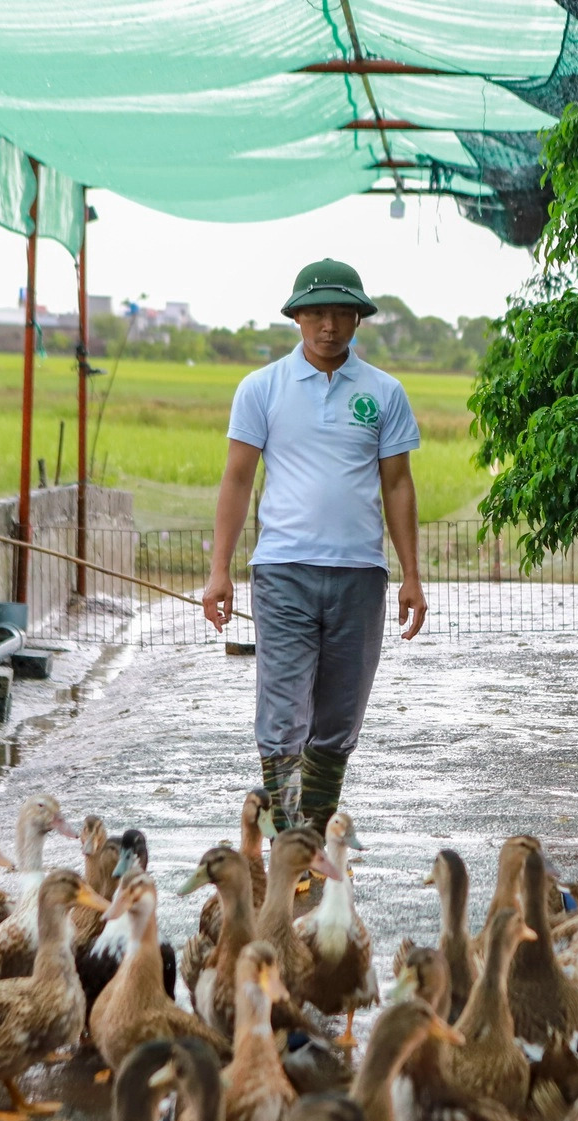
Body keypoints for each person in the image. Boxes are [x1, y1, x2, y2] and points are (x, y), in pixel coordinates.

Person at [203, 259, 427, 833]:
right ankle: (288, 843)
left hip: (360, 574)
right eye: (317, 313)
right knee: (282, 716)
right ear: (297, 317)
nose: (329, 325)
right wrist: (219, 571)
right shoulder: (261, 389)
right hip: (283, 571)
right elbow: (236, 479)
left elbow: (398, 484)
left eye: (341, 313)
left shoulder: (383, 392)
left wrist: (411, 575)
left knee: (337, 719)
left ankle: (313, 830)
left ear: (358, 319)